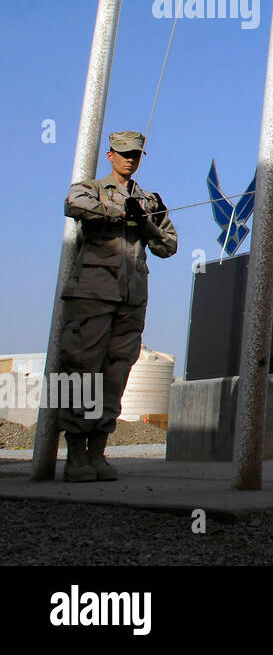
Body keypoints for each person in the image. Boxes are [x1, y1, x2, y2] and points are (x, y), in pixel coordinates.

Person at [57, 130, 177, 482]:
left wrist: (146, 224)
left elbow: (169, 245)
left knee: (116, 374)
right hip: (91, 293)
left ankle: (98, 451)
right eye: (124, 153)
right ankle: (74, 453)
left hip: (131, 297)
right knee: (79, 368)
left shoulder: (150, 200)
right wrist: (116, 210)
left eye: (136, 154)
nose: (130, 159)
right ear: (110, 155)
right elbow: (72, 205)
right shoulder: (91, 188)